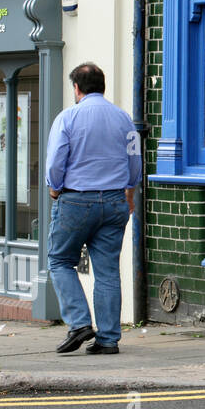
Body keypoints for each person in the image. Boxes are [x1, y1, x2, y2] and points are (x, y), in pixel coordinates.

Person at [45, 63, 141, 354]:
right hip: (115, 202)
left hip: (76, 200)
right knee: (108, 271)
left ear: (77, 88)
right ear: (103, 86)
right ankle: (108, 339)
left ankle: (79, 323)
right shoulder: (125, 120)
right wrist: (130, 193)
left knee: (60, 260)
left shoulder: (68, 118)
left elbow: (55, 161)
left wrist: (54, 186)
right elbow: (135, 161)